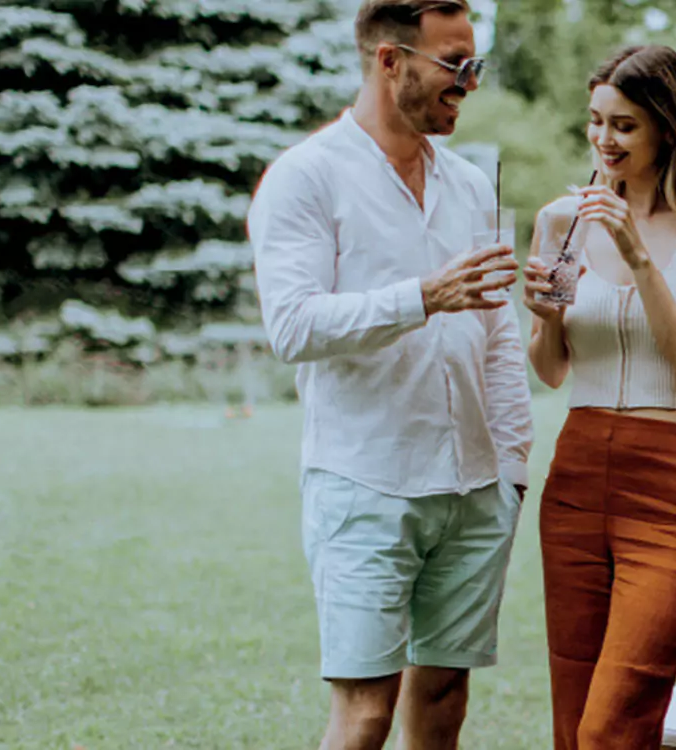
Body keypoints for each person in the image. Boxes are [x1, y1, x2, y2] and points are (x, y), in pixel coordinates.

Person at [248, 1, 533, 748]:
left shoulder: (470, 184)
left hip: (476, 488)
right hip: (365, 482)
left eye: (474, 64)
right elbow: (293, 326)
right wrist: (424, 297)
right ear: (389, 60)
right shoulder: (305, 178)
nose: (468, 83)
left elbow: (498, 332)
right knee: (366, 712)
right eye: (453, 64)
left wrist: (512, 468)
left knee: (442, 703)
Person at [518, 45, 676, 750]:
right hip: (578, 478)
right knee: (574, 717)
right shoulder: (560, 221)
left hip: (672, 487)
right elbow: (551, 370)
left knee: (613, 727)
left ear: (670, 129)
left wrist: (639, 257)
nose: (604, 140)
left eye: (624, 125)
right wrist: (548, 314)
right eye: (595, 121)